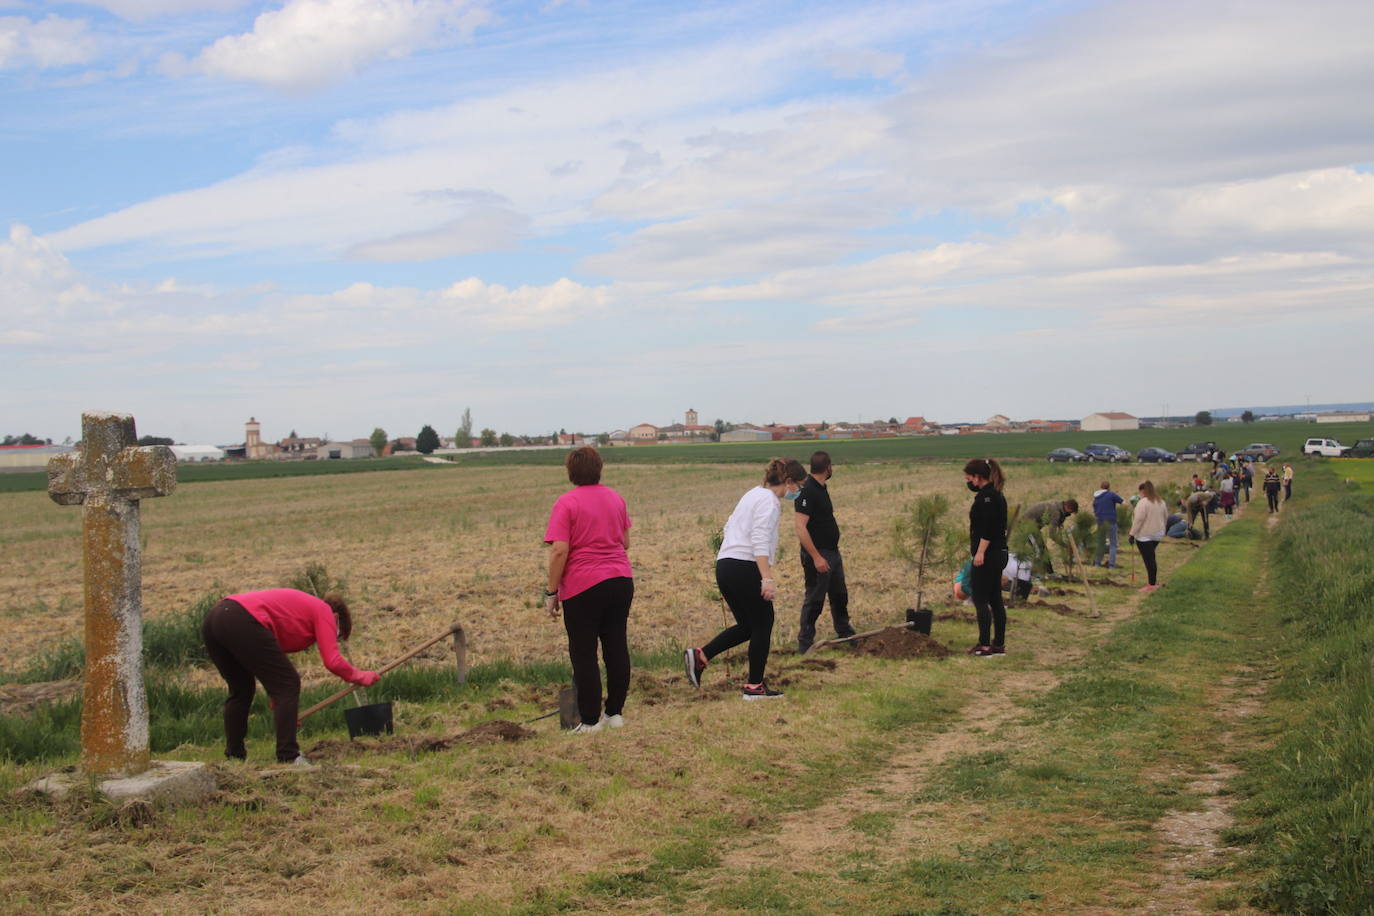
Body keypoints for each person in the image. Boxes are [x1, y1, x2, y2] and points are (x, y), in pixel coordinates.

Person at [202, 588, 380, 764]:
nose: (333, 638)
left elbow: (268, 663)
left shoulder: (300, 613)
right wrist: (359, 675)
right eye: (337, 635)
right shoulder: (324, 611)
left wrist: (281, 703)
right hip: (241, 618)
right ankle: (289, 756)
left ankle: (235, 757)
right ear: (337, 619)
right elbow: (332, 661)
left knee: (242, 690)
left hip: (216, 618)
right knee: (289, 684)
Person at [685, 458, 807, 699]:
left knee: (748, 626)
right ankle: (754, 687)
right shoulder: (770, 502)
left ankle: (701, 656)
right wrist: (766, 578)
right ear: (788, 481)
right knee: (764, 622)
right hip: (744, 566)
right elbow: (759, 539)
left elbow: (729, 526)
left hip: (725, 565)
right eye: (799, 486)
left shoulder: (752, 494)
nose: (799, 491)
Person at [544, 446, 634, 734]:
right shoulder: (616, 498)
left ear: (571, 472)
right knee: (616, 645)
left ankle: (591, 721)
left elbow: (559, 551)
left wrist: (551, 592)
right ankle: (615, 713)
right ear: (599, 468)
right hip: (620, 580)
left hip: (583, 586)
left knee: (584, 653)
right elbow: (626, 542)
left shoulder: (566, 503)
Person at [794, 451, 856, 653]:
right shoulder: (807, 491)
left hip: (832, 552)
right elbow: (800, 527)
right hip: (818, 554)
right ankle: (805, 642)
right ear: (828, 467)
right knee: (815, 599)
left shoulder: (821, 488)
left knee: (840, 595)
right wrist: (816, 557)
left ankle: (844, 631)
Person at [964, 458, 1009, 657]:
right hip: (999, 553)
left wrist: (980, 552)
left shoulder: (987, 497)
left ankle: (984, 646)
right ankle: (998, 644)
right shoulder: (997, 494)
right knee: (995, 599)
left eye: (969, 478)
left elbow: (989, 529)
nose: (968, 482)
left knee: (980, 599)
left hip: (988, 555)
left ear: (978, 477)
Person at [1129, 481, 1168, 592]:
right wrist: (1163, 529)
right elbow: (1166, 517)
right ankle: (1152, 582)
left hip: (1145, 535)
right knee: (1151, 557)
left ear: (1142, 491)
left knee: (1149, 559)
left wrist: (1132, 534)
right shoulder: (1161, 501)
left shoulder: (1143, 503)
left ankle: (1151, 584)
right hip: (1158, 534)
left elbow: (1138, 520)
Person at [1091, 481, 1124, 568]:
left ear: (1100, 487)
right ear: (1109, 487)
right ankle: (1111, 565)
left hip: (1100, 521)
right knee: (1113, 543)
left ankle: (1097, 563)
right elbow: (1123, 502)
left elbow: (1094, 510)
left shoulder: (1096, 497)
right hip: (1111, 521)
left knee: (1101, 542)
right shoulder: (1111, 494)